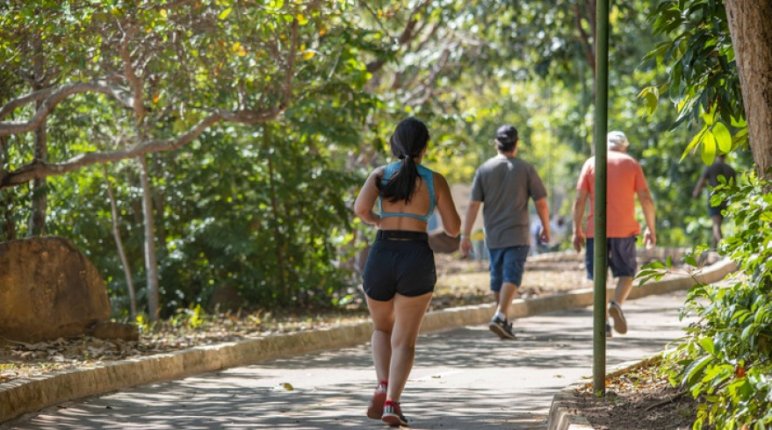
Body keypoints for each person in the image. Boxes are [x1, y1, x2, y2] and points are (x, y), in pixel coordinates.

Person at [354, 117, 460, 427]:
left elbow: (361, 210)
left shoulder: (380, 175)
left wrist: (380, 220)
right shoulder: (434, 180)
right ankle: (392, 403)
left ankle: (382, 384)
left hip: (382, 254)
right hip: (415, 255)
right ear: (425, 148)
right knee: (405, 340)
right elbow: (454, 229)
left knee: (381, 329)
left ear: (394, 145)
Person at [460, 125, 550, 340]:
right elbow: (541, 202)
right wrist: (545, 227)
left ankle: (503, 320)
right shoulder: (525, 168)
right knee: (512, 275)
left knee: (498, 278)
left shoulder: (484, 169)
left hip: (493, 236)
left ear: (496, 143)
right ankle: (500, 315)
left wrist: (465, 235)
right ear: (516, 144)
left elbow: (473, 205)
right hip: (517, 234)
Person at [571, 131, 656, 338]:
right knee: (626, 274)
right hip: (624, 230)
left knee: (598, 279)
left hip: (595, 231)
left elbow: (580, 199)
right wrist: (651, 228)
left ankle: (603, 323)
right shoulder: (631, 163)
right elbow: (645, 197)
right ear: (624, 146)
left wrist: (576, 230)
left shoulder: (591, 163)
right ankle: (616, 303)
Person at [691, 154, 736, 249]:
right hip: (725, 200)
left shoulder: (711, 167)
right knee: (718, 224)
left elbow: (701, 181)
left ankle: (725, 247)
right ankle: (713, 249)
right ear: (725, 156)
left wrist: (696, 193)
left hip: (714, 199)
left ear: (716, 156)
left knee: (716, 225)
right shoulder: (730, 169)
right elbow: (734, 186)